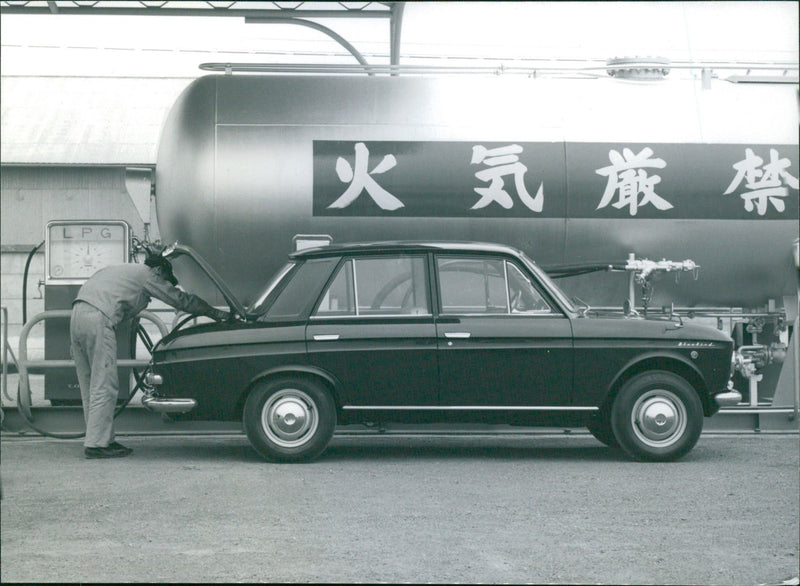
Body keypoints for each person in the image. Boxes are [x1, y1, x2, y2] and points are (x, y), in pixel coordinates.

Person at [70, 244, 230, 459]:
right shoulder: (147, 276)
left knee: (90, 383)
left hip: (77, 317)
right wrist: (214, 312)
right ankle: (98, 445)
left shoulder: (123, 271)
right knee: (105, 383)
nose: (163, 283)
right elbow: (178, 299)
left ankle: (96, 439)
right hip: (99, 320)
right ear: (158, 271)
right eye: (164, 278)